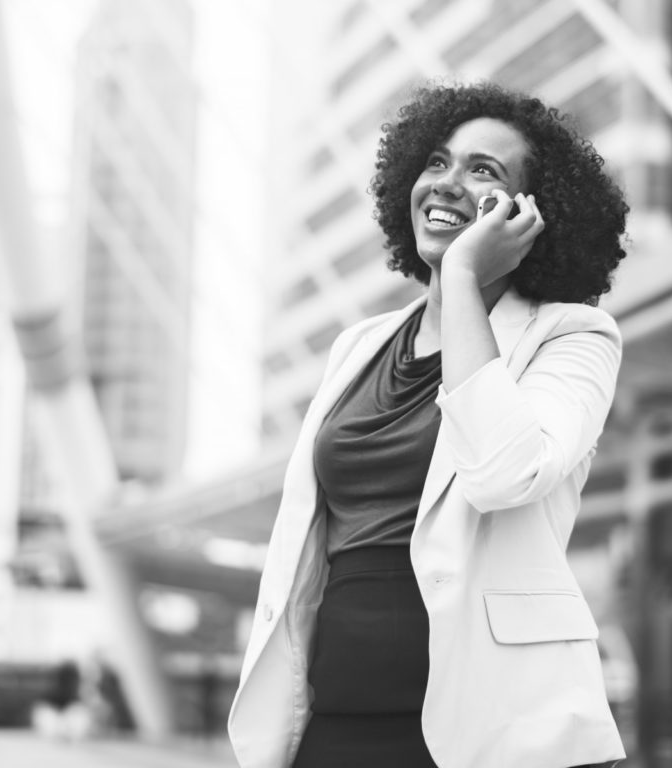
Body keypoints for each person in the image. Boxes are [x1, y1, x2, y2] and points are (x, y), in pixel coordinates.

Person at [228, 82, 629, 768]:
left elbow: (505, 472)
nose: (446, 184)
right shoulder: (359, 346)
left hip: (494, 727)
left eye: (483, 171)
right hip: (336, 719)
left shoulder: (575, 337)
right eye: (437, 162)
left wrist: (467, 276)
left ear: (533, 211)